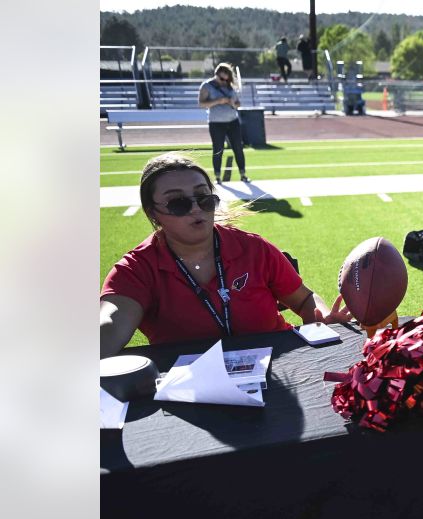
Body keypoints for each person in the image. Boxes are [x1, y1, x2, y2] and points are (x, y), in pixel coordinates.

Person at [100, 152, 350, 357]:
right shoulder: (135, 270)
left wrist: (319, 316)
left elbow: (305, 299)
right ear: (152, 212)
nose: (196, 208)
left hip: (276, 369)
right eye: (178, 202)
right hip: (191, 388)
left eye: (203, 197)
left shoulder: (254, 248)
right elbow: (110, 321)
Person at [198, 62, 248, 184]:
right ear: (216, 74)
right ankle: (218, 177)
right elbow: (201, 104)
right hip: (216, 122)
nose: (223, 81)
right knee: (218, 149)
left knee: (238, 148)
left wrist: (232, 103)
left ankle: (243, 174)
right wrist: (218, 101)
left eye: (226, 78)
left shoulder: (230, 86)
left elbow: (238, 104)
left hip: (232, 121)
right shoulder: (207, 86)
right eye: (221, 78)